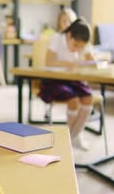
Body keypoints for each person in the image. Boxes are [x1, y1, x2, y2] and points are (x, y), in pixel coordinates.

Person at [38, 18, 95, 150]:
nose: (76, 49)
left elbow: (92, 63)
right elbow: (49, 62)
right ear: (69, 36)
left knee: (88, 98)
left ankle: (74, 136)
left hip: (72, 79)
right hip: (53, 80)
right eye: (75, 45)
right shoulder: (57, 38)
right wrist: (69, 64)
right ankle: (69, 139)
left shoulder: (82, 43)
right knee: (73, 100)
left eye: (80, 47)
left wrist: (88, 56)